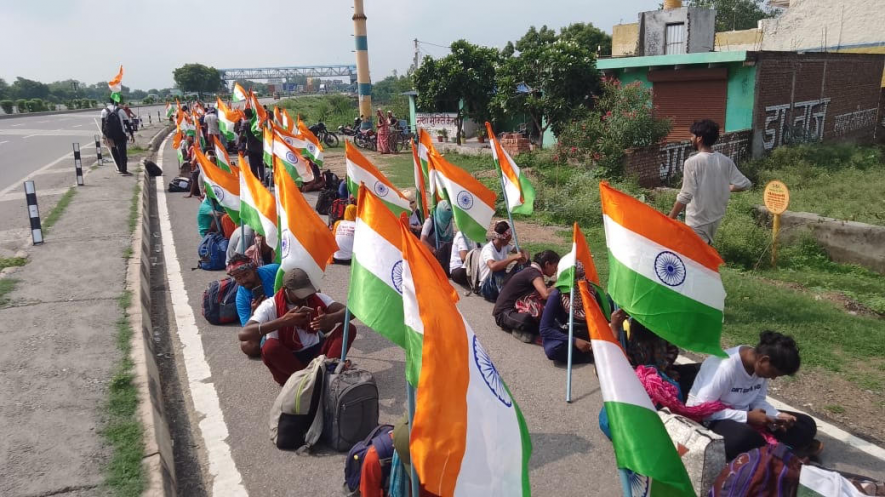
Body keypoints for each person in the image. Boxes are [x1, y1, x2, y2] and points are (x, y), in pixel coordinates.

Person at [687, 330, 821, 461]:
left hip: (745, 413)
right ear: (764, 360)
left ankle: (782, 452)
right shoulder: (725, 368)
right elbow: (701, 409)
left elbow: (757, 399)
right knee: (744, 438)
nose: (773, 378)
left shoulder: (759, 366)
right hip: (711, 418)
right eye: (774, 373)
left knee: (806, 424)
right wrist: (746, 417)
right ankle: (787, 455)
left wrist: (776, 415)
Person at [239, 268, 357, 385]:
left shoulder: (316, 298)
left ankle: (323, 375)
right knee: (269, 347)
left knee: (349, 328)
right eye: (300, 294)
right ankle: (310, 380)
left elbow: (351, 313)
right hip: (289, 361)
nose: (305, 297)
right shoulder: (270, 305)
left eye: (307, 292)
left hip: (317, 354)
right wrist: (283, 321)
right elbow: (244, 334)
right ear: (286, 290)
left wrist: (331, 318)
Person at [668, 119, 752, 244]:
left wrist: (670, 219)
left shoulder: (692, 162)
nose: (690, 139)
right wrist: (728, 188)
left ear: (699, 138)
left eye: (692, 136)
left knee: (695, 258)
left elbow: (686, 195)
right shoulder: (725, 161)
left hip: (697, 222)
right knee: (705, 253)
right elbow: (745, 184)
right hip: (715, 219)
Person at [493, 250, 559, 343]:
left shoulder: (532, 271)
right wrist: (560, 283)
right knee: (530, 321)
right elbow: (546, 294)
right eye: (555, 267)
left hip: (515, 309)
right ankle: (520, 331)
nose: (555, 271)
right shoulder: (533, 272)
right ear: (547, 264)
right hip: (503, 314)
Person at [538, 262, 596, 363]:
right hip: (565, 335)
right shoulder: (556, 295)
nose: (578, 281)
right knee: (553, 350)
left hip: (587, 333)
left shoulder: (591, 292)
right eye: (574, 277)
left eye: (581, 276)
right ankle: (587, 356)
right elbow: (545, 329)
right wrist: (574, 341)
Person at [226, 255, 281, 356]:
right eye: (238, 278)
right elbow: (247, 332)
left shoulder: (274, 270)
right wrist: (254, 313)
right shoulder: (241, 297)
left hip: (287, 311)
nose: (243, 280)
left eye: (246, 274)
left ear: (254, 269)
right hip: (269, 325)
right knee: (248, 346)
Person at [479, 221, 528, 302]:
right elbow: (493, 266)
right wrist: (513, 258)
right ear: (507, 237)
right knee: (499, 272)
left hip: (499, 280)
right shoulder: (488, 249)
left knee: (521, 268)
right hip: (487, 287)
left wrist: (524, 260)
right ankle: (510, 297)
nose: (511, 239)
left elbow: (524, 251)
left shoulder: (504, 246)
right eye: (510, 237)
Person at [100, 98, 131, 175]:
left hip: (110, 135)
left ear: (109, 102)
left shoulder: (104, 111)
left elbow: (103, 125)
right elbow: (127, 123)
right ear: (117, 102)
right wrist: (131, 134)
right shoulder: (120, 111)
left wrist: (104, 136)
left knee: (114, 151)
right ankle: (123, 169)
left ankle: (119, 168)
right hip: (121, 134)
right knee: (122, 152)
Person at [238, 108, 265, 181]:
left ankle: (255, 179)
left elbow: (241, 135)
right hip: (260, 146)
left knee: (253, 165)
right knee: (261, 163)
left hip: (251, 147)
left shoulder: (245, 122)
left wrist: (238, 143)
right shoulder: (257, 122)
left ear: (245, 115)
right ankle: (262, 178)